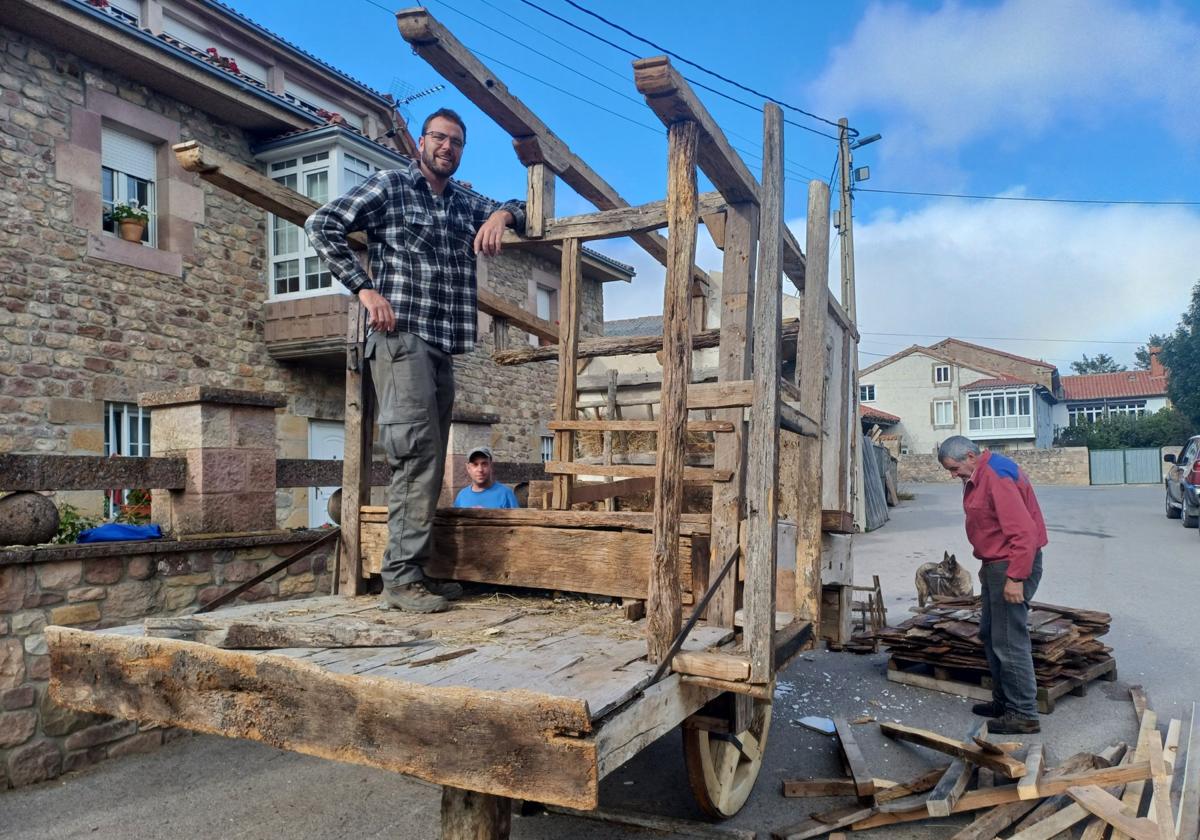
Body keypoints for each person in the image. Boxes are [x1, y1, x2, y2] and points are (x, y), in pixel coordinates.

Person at [306, 108, 526, 614]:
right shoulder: (389, 186)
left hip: (440, 344)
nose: (447, 147)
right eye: (439, 138)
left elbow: (521, 206)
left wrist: (500, 216)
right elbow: (321, 224)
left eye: (456, 142)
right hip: (400, 337)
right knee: (414, 455)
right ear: (421, 143)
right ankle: (399, 580)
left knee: (428, 459)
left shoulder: (463, 202)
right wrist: (365, 290)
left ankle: (415, 572)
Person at [937, 436, 1048, 734]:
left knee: (1009, 640)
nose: (952, 475)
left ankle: (1023, 713)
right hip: (996, 564)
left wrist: (1015, 578)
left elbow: (1024, 533)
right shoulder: (981, 472)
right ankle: (1004, 702)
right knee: (990, 633)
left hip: (1010, 565)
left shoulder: (996, 476)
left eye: (954, 467)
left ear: (970, 456)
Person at [453, 447, 519, 509]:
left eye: (484, 464)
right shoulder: (462, 496)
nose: (480, 470)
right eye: (475, 464)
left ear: (491, 466)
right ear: (468, 468)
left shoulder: (506, 494)